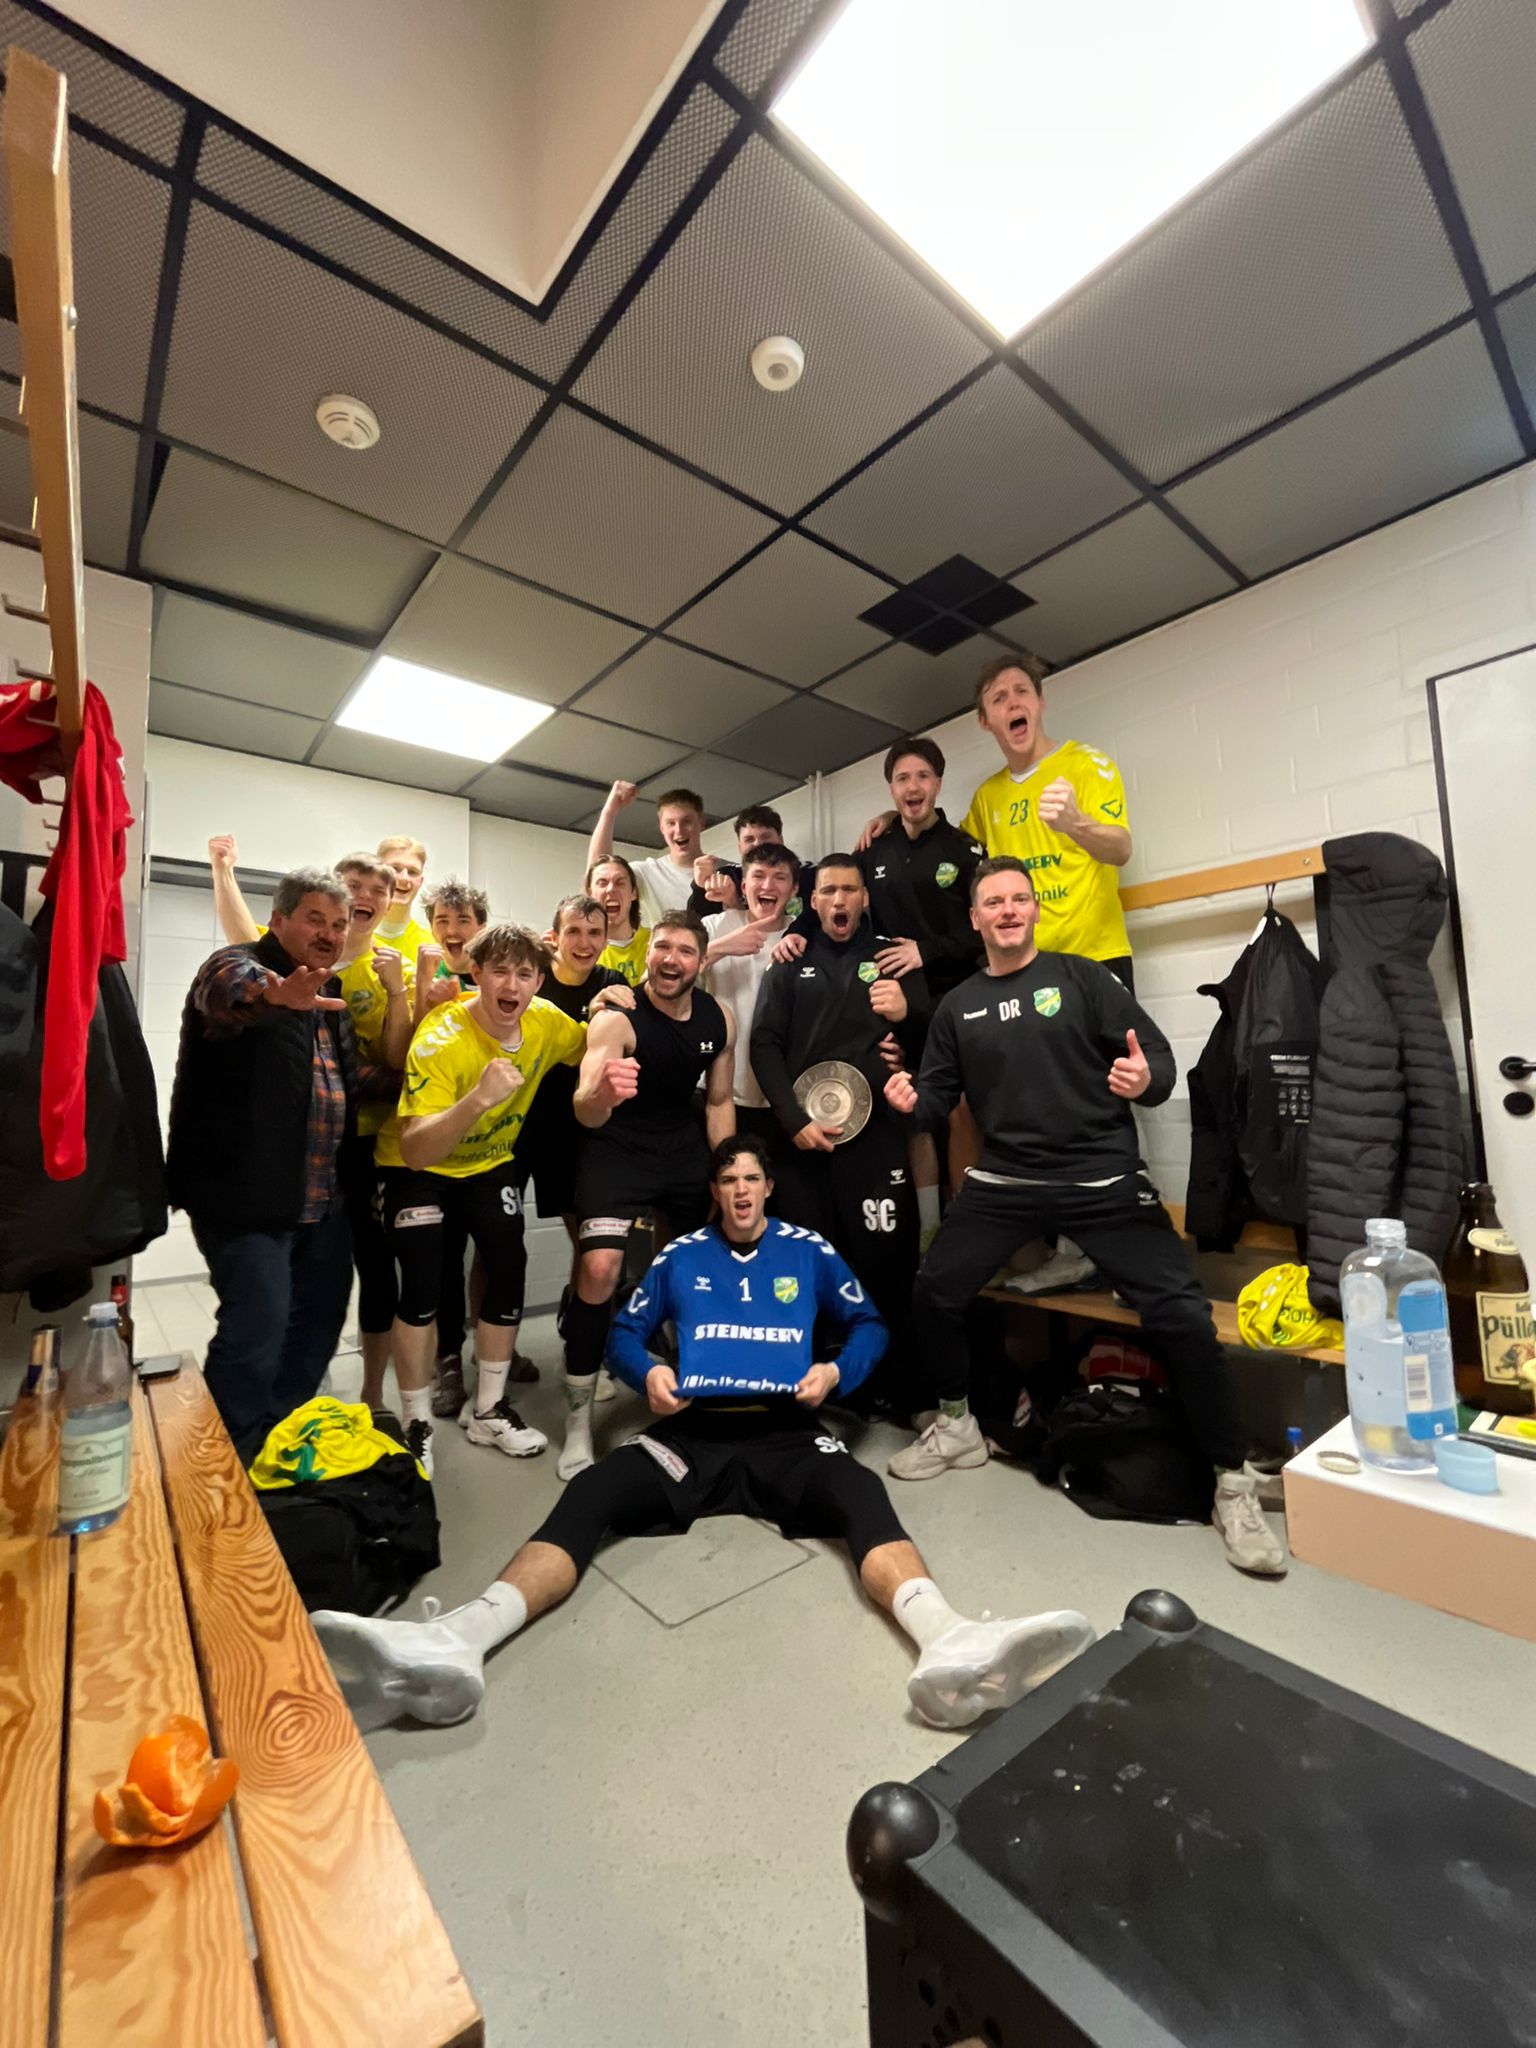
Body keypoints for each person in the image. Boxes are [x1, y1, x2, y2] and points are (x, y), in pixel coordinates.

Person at [311, 1135, 1096, 1731]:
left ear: (768, 1187)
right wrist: (646, 1371)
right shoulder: (682, 1255)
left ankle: (949, 1639)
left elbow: (870, 1326)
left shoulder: (808, 1251)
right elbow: (625, 1331)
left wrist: (835, 1374)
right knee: (593, 1493)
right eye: (728, 1181)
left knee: (860, 1493)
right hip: (691, 1435)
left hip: (787, 1434)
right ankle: (459, 1640)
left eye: (751, 1179)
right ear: (715, 1193)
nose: (741, 1191)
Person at [882, 857, 1285, 1577]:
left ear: (1034, 910)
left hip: (1101, 1178)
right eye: (993, 902)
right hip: (1005, 1181)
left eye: (1019, 898)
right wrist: (914, 1102)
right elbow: (938, 1097)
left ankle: (1231, 1481)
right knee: (934, 1290)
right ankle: (957, 1425)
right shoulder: (958, 1006)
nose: (1008, 910)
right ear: (974, 919)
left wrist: (1146, 1079)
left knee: (1181, 1315)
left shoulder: (1083, 979)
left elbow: (1156, 1060)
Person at [864, 657, 1135, 1294]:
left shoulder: (1085, 763)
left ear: (1039, 702)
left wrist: (1074, 823)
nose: (1012, 703)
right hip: (1024, 974)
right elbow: (962, 871)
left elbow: (1121, 848)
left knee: (1113, 1097)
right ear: (985, 719)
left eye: (1021, 691)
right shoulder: (987, 799)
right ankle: (1072, 1248)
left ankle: (1127, 1251)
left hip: (1092, 958)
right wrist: (887, 825)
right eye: (997, 697)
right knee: (1048, 1107)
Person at [374, 923, 586, 1476]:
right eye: (499, 971)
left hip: (489, 1166)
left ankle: (488, 1410)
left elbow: (591, 1042)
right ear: (477, 973)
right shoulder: (441, 1036)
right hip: (418, 1167)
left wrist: (615, 1007)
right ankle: (416, 1421)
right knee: (421, 1286)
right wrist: (476, 1100)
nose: (511, 985)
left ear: (539, 981)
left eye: (524, 973)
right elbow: (415, 1149)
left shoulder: (547, 1022)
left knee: (508, 1267)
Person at [167, 868, 358, 1461]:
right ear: (277, 920)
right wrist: (276, 996)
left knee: (317, 1324)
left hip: (322, 1201)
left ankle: (273, 1438)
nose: (328, 933)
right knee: (257, 1330)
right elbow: (232, 992)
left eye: (339, 924)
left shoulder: (331, 998)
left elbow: (349, 1081)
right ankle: (224, 1463)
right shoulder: (237, 965)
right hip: (244, 1198)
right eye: (315, 919)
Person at [562, 913, 736, 1480]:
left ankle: (691, 1382)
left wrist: (726, 1171)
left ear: (701, 962)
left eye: (685, 951)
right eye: (662, 947)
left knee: (694, 1271)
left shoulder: (719, 1018)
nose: (670, 959)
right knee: (598, 1270)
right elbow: (584, 1109)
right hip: (615, 1148)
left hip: (683, 1149)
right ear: (647, 954)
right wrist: (602, 1093)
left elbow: (718, 1102)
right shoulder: (617, 1017)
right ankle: (578, 1421)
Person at [750, 856, 927, 1405]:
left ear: (864, 897)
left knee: (887, 1266)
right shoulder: (789, 961)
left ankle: (893, 1388)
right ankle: (810, 1386)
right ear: (814, 901)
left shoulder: (893, 959)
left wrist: (908, 1018)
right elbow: (763, 1045)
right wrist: (793, 1119)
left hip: (877, 1142)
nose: (840, 900)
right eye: (828, 891)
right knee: (805, 1268)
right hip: (803, 1144)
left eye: (850, 889)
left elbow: (936, 1045)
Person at [328, 853, 415, 1411]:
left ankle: (372, 1393)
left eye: (376, 890)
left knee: (378, 1268)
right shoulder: (301, 955)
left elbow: (397, 1059)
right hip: (310, 1142)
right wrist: (222, 870)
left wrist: (397, 990)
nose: (365, 896)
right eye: (354, 885)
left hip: (371, 1144)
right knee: (315, 1263)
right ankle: (306, 1379)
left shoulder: (389, 968)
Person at [409, 876, 494, 1418]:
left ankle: (492, 1347)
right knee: (443, 1259)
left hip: (495, 1143)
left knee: (495, 1251)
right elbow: (407, 1053)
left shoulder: (495, 974)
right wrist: (426, 1001)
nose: (453, 929)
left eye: (464, 920)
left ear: (480, 927)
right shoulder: (426, 975)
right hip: (438, 1144)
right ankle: (447, 1361)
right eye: (443, 920)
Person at [701, 842, 801, 1161]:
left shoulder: (804, 936)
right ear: (744, 886)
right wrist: (722, 946)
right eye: (758, 876)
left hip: (788, 1098)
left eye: (779, 877)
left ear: (794, 889)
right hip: (721, 1095)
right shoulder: (714, 927)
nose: (768, 885)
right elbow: (666, 976)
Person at [587, 779, 706, 926]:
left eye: (686, 821)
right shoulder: (648, 871)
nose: (679, 830)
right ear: (662, 828)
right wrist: (609, 812)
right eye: (671, 823)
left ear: (701, 824)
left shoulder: (725, 871)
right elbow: (598, 872)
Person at [688, 803, 816, 923]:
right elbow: (695, 928)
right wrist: (700, 886)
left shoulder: (811, 874)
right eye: (749, 839)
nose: (758, 844)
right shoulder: (726, 876)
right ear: (740, 847)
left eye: (766, 837)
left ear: (780, 840)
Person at [589, 853, 650, 986]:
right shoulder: (582, 950)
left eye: (620, 883)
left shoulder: (655, 943)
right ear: (590, 894)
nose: (611, 889)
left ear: (634, 892)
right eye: (602, 883)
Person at [377, 835, 433, 965]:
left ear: (420, 881)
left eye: (413, 872)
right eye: (395, 869)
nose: (404, 878)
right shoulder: (352, 937)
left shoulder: (432, 943)